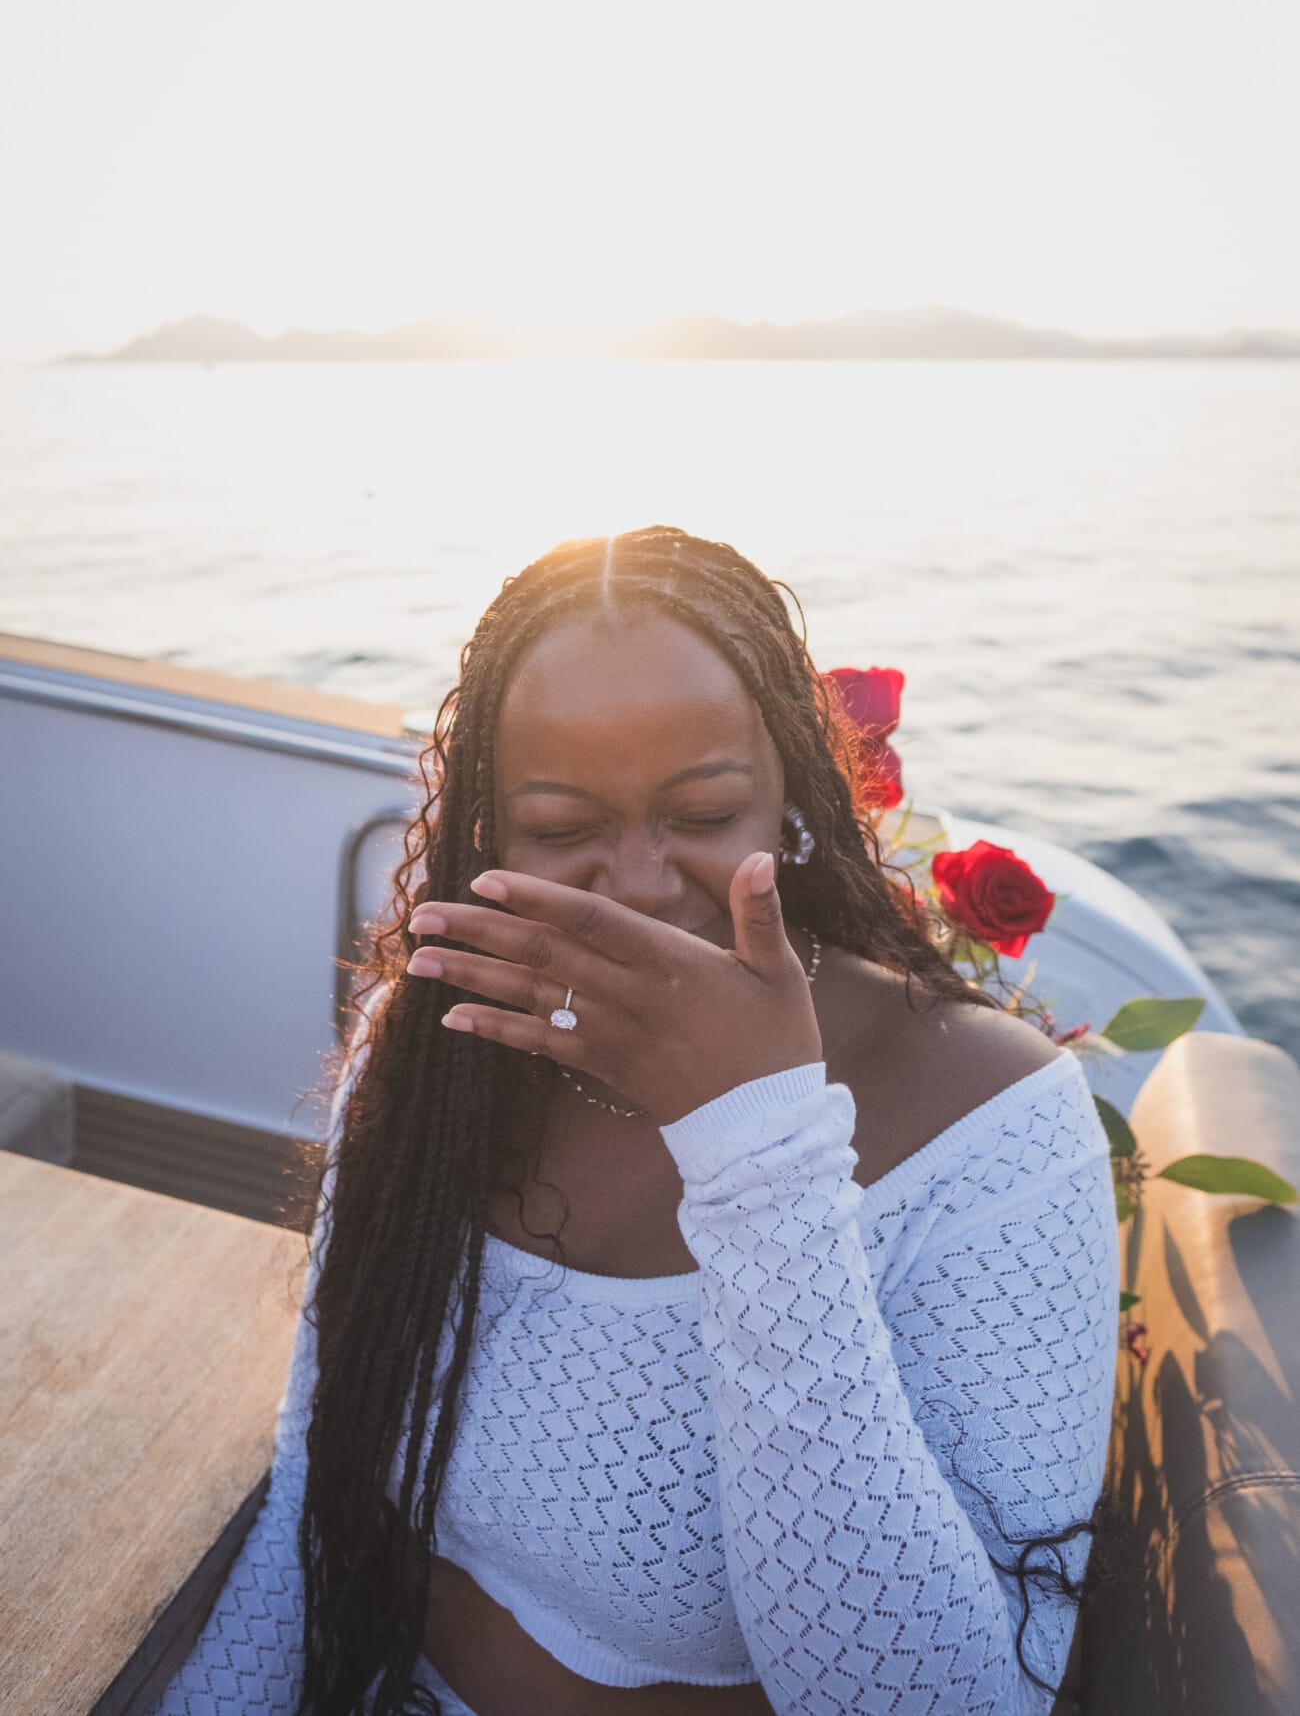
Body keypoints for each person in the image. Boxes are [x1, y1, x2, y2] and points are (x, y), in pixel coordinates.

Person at [149, 526, 1118, 1716]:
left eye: (704, 812)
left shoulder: (995, 1123)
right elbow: (317, 1474)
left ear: (794, 804)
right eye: (561, 830)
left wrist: (756, 1147)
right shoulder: (431, 1048)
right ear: (489, 836)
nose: (642, 882)